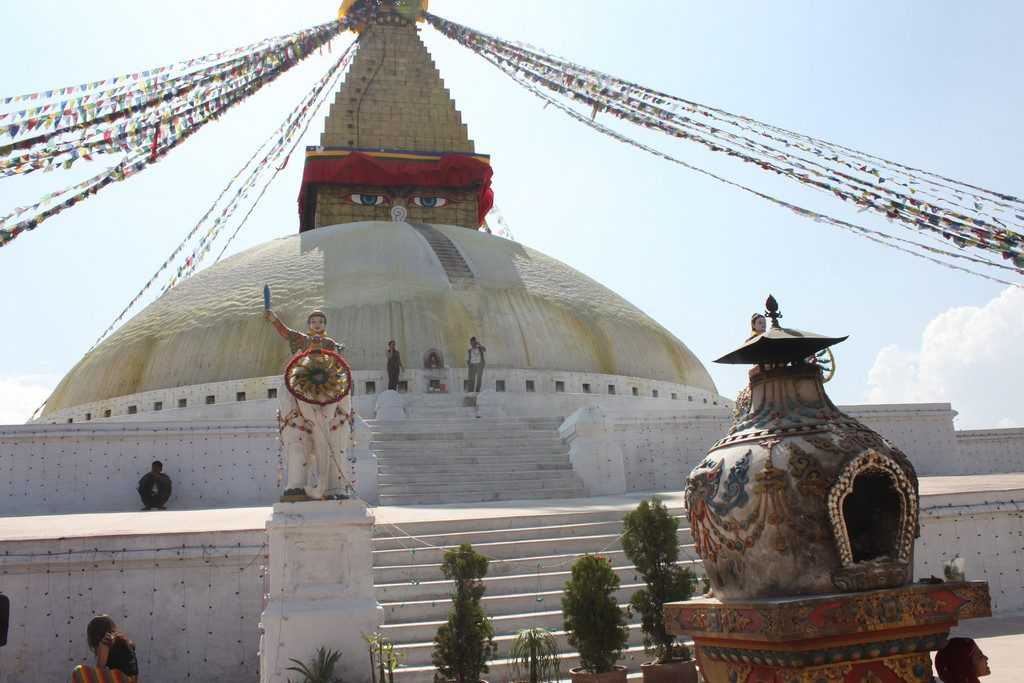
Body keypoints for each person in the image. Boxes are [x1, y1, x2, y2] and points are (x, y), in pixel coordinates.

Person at [265, 307, 355, 501]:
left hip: (329, 390)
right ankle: (296, 484)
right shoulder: (301, 340)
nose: (317, 325)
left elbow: (338, 366)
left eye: (320, 321)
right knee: (297, 440)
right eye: (313, 321)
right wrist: (274, 319)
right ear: (308, 324)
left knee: (335, 438)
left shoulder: (331, 344)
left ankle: (334, 486)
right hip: (301, 387)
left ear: (325, 324)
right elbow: (285, 332)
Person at [80, 615, 138, 681]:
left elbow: (99, 670)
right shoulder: (121, 641)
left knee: (79, 671)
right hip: (129, 680)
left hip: (121, 680)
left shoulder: (106, 641)